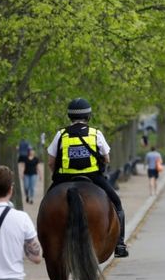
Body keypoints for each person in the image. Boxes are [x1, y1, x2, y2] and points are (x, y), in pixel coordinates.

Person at [46, 98, 128, 257]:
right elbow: (107, 158)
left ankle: (46, 242)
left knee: (46, 204)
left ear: (69, 116)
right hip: (93, 177)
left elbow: (51, 161)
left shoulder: (60, 135)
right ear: (88, 116)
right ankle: (120, 244)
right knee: (117, 203)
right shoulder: (96, 134)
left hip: (64, 177)